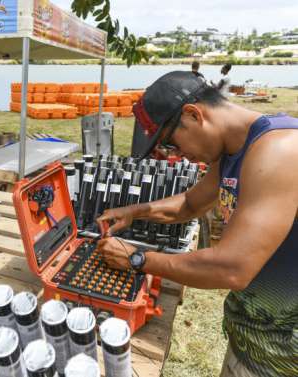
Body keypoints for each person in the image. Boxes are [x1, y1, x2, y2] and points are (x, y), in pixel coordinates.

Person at [96, 71, 298, 377]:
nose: (179, 156)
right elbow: (191, 203)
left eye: (172, 144)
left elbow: (232, 269)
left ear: (193, 114)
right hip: (252, 336)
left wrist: (137, 258)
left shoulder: (279, 151)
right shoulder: (235, 148)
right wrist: (134, 211)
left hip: (283, 355)